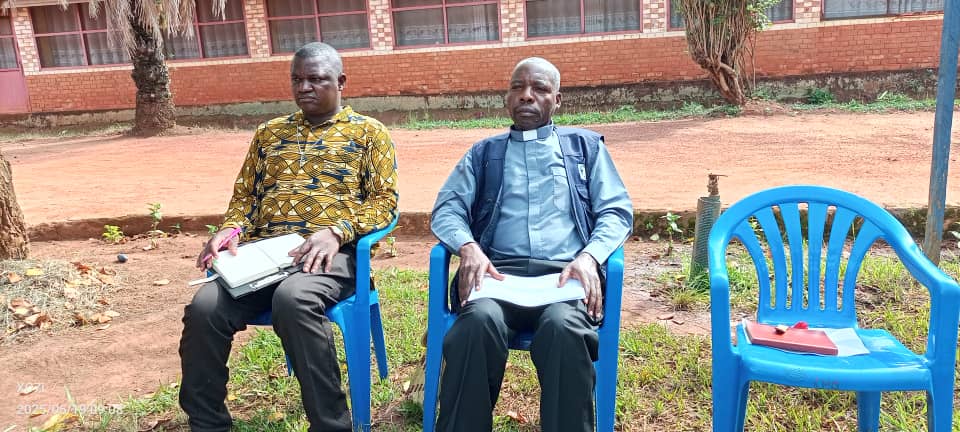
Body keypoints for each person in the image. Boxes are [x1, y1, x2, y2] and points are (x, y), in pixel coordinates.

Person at [178, 42, 398, 432]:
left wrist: (336, 232)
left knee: (293, 299)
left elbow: (385, 203)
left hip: (331, 255)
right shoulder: (269, 134)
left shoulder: (369, 134)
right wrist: (230, 229)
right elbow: (244, 196)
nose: (305, 88)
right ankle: (208, 424)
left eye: (316, 79)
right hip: (262, 256)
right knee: (205, 308)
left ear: (341, 82)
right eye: (298, 80)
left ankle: (331, 425)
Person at [430, 57, 633, 432]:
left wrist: (590, 257)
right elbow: (447, 210)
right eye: (517, 88)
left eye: (539, 89)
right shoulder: (483, 153)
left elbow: (616, 212)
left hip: (562, 280)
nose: (526, 96)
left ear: (558, 100)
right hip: (497, 278)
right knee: (476, 326)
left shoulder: (584, 149)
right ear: (507, 98)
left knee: (564, 330)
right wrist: (468, 246)